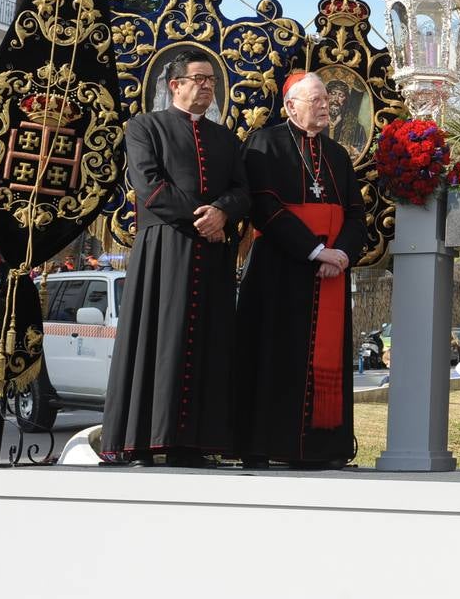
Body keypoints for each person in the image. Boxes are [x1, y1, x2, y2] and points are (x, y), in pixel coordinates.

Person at [100, 47, 249, 467]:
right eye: (198, 79)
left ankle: (196, 443)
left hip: (214, 253)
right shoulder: (145, 127)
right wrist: (202, 218)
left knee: (209, 342)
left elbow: (243, 190)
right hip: (165, 249)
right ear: (175, 85)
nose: (206, 87)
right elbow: (150, 187)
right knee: (158, 339)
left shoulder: (226, 138)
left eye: (211, 81)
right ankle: (143, 440)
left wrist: (222, 212)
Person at [233, 72, 364, 468]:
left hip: (331, 277)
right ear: (291, 105)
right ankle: (269, 446)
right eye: (316, 100)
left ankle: (322, 449)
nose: (326, 106)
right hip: (280, 273)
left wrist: (339, 253)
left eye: (328, 99)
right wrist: (315, 251)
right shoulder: (265, 143)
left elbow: (356, 214)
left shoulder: (337, 155)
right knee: (274, 357)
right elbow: (266, 208)